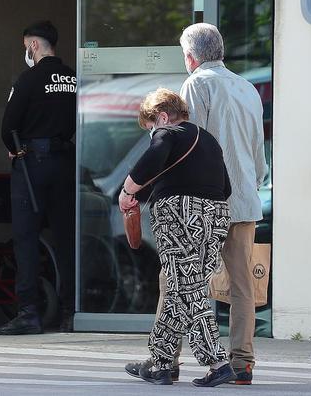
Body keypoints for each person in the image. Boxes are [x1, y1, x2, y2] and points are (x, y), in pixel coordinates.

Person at [167, 22, 268, 384]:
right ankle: (242, 363)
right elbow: (258, 152)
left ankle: (168, 360)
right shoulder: (248, 87)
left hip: (204, 201)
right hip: (243, 199)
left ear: (191, 57)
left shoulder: (196, 84)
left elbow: (190, 144)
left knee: (176, 279)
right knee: (242, 286)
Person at [119, 89, 236, 387]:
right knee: (180, 287)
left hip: (178, 214)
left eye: (150, 127)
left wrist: (128, 190)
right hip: (217, 216)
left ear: (161, 116)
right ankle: (161, 363)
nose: (151, 134)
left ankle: (217, 361)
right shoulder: (208, 140)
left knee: (188, 288)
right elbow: (226, 188)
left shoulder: (168, 132)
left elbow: (153, 157)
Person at [0, 20, 77, 336]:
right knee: (66, 238)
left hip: (33, 163)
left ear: (33, 45)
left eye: (25, 45)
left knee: (26, 239)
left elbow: (8, 126)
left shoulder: (29, 79)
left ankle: (29, 312)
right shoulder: (72, 78)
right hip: (66, 162)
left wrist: (14, 149)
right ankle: (70, 312)